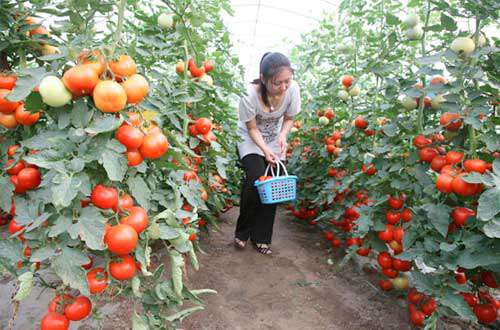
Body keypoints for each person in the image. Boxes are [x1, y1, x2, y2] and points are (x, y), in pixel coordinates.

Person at [234, 52, 301, 255]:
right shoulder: (249, 95)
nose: (283, 87)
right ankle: (242, 232)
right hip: (250, 139)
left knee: (274, 183)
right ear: (263, 79)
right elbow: (252, 128)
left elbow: (289, 118)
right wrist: (265, 150)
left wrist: (283, 135)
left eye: (287, 81)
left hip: (274, 140)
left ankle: (262, 237)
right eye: (277, 83)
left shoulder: (293, 89)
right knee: (256, 178)